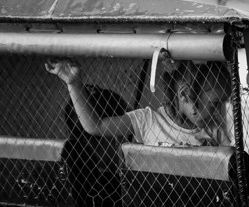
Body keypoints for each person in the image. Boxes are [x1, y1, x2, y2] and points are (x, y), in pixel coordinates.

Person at [46, 55, 232, 147]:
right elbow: (96, 126)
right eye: (215, 104)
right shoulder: (147, 120)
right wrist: (74, 84)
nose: (218, 113)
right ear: (185, 96)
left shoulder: (214, 132)